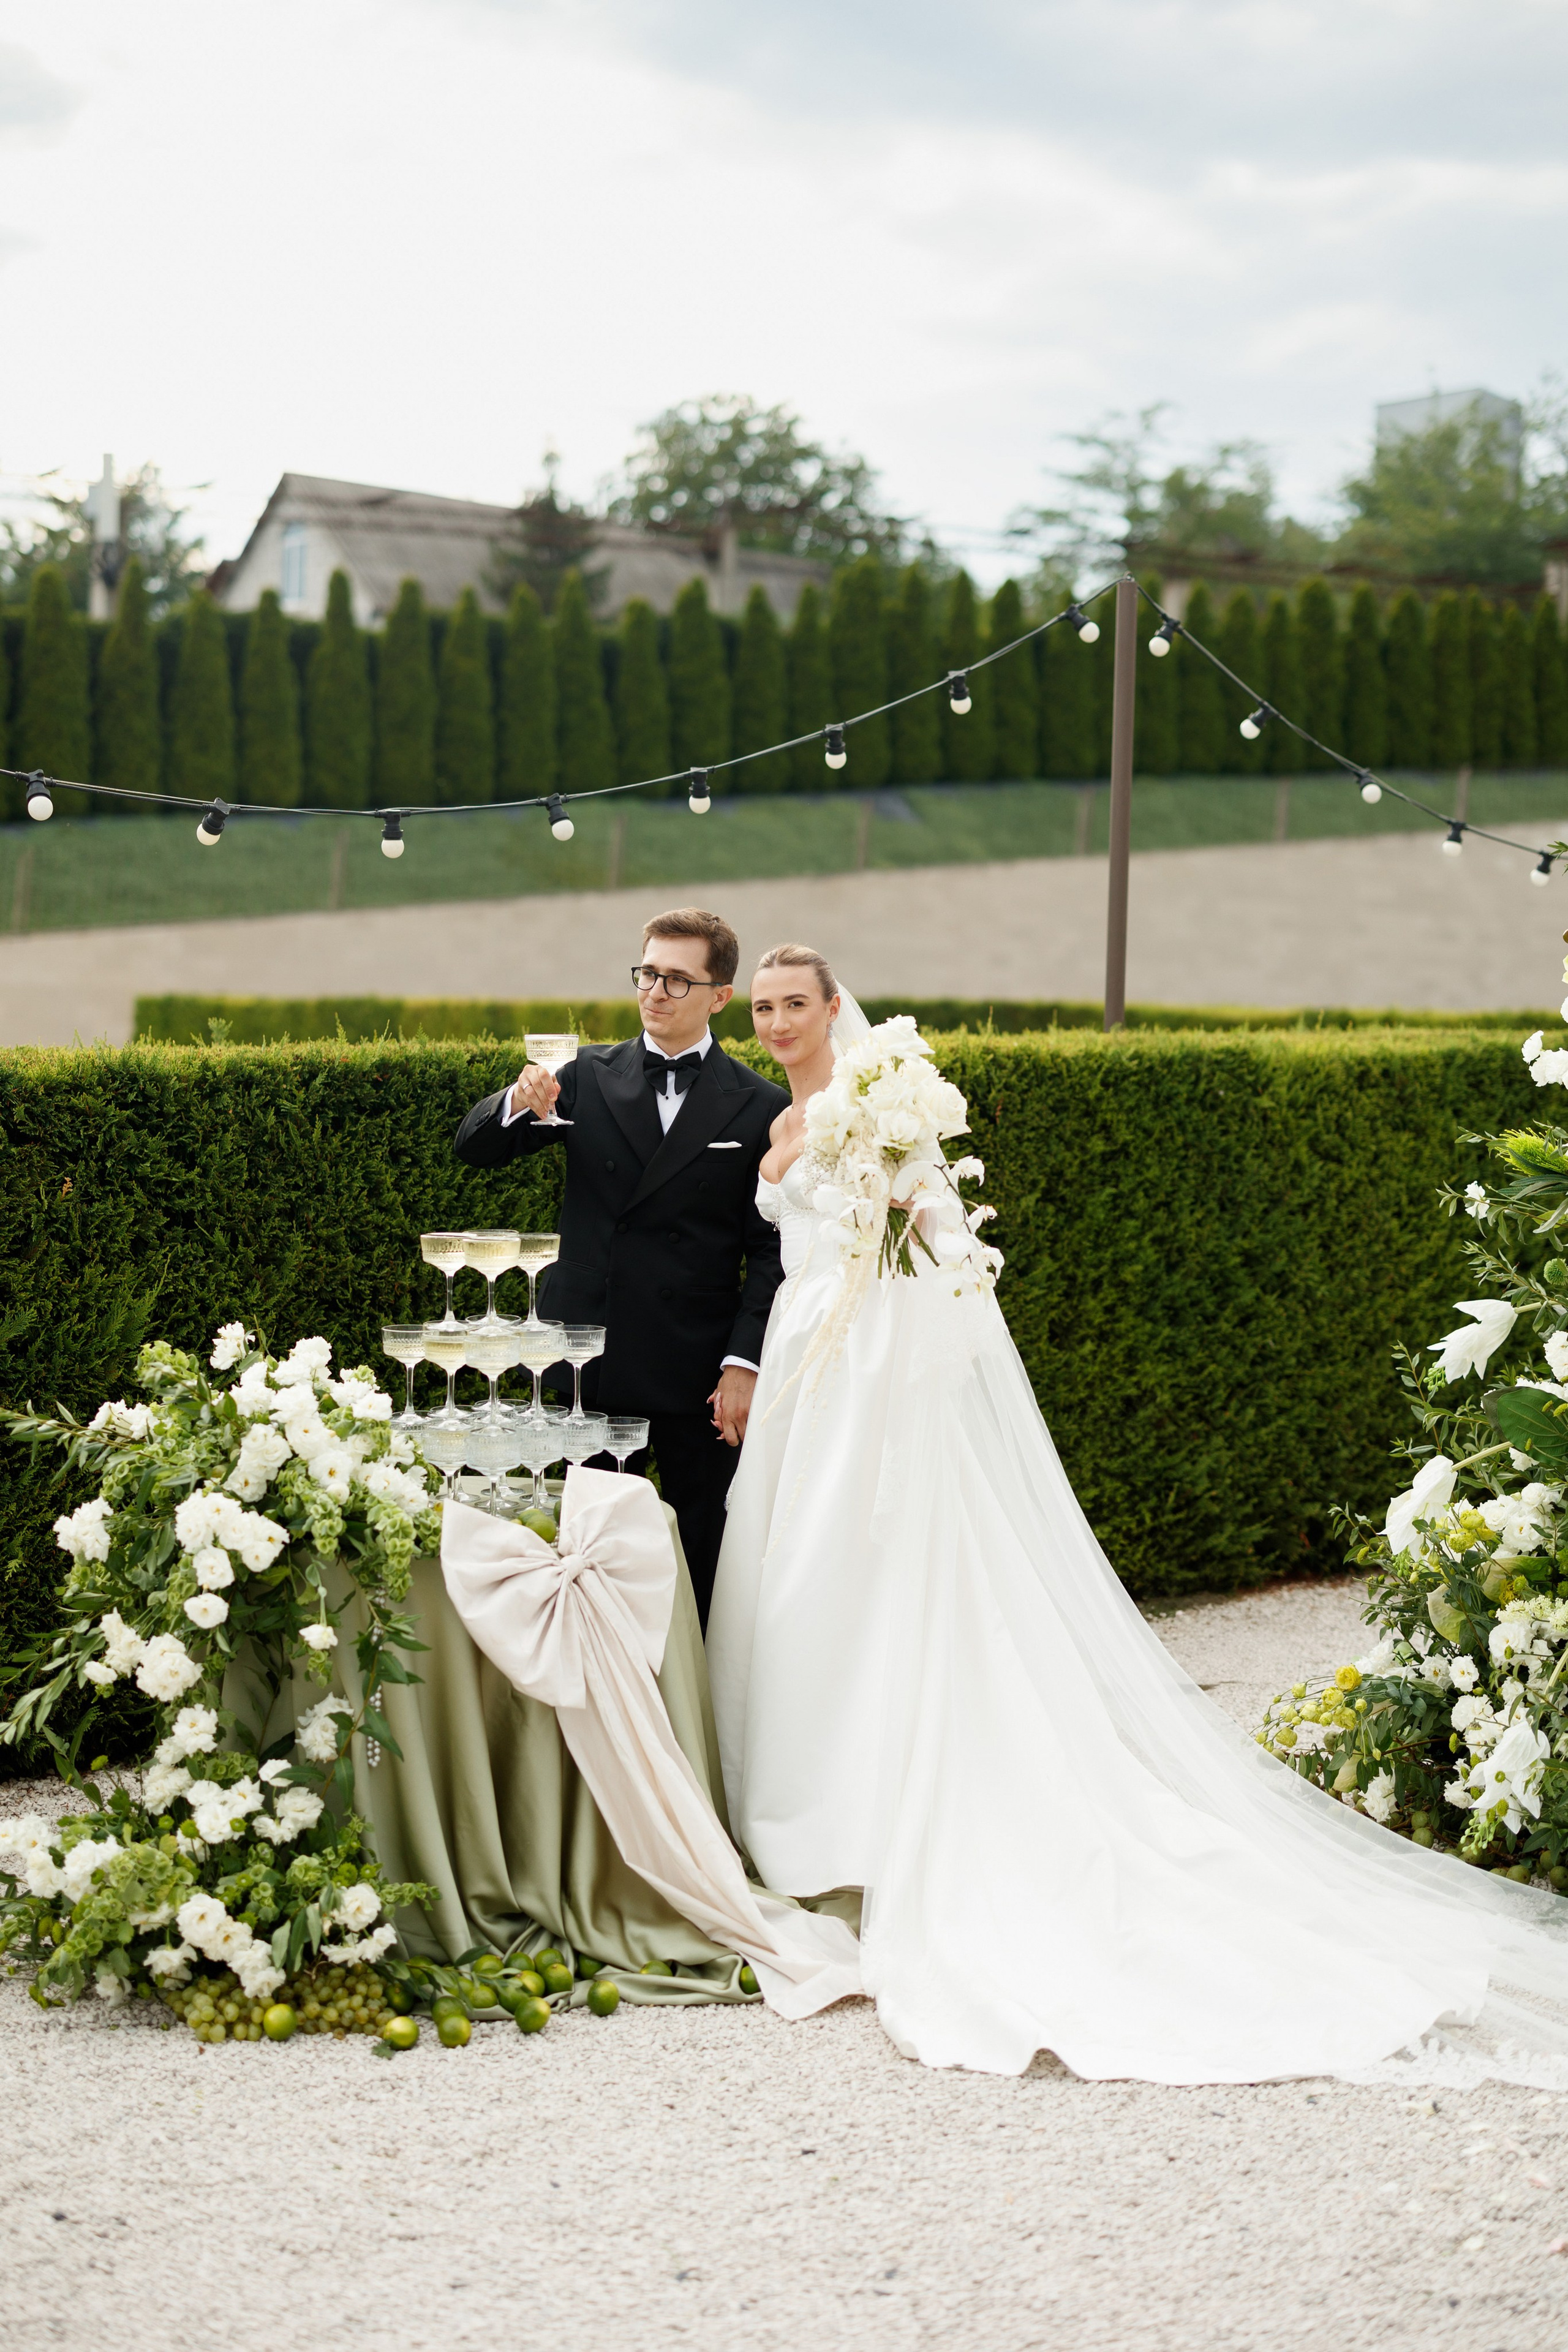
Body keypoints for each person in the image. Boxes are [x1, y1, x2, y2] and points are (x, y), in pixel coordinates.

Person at [706, 943, 1568, 2083]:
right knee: (796, 1579)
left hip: (870, 1363)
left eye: (793, 1005)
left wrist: (919, 1262)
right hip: (803, 1359)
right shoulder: (778, 1126)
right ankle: (799, 1826)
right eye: (763, 1008)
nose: (775, 1023)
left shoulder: (876, 1103)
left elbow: (939, 1230)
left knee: (868, 1574)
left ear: (831, 1010)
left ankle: (871, 1827)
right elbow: (787, 1248)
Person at [453, 907, 786, 1626]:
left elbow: (770, 1249)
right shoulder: (584, 1075)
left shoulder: (761, 1104)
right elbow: (473, 1148)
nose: (655, 992)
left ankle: (696, 1690)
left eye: (676, 979)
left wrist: (743, 1362)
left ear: (720, 996)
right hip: (590, 1358)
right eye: (647, 974)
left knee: (707, 1555)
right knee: (586, 1555)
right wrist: (514, 1101)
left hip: (700, 1372)